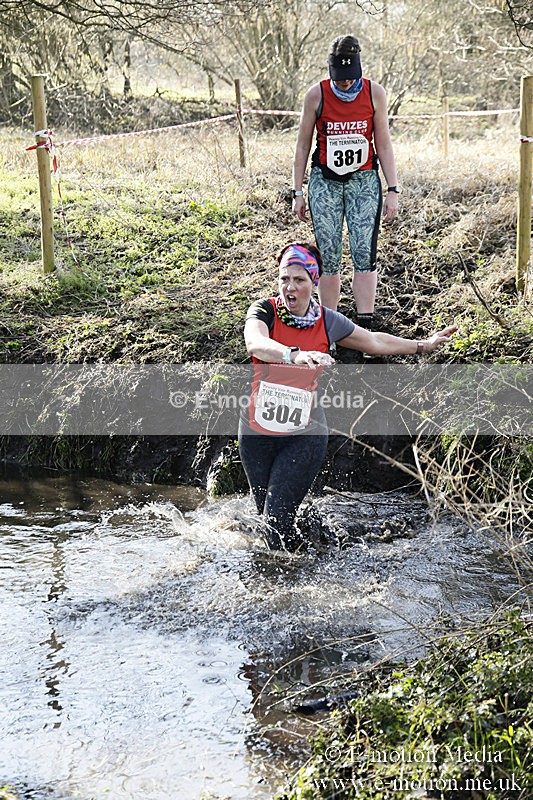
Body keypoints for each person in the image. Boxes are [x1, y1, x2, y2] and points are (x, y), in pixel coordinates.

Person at [238, 242, 457, 552]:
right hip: (256, 430)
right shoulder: (264, 311)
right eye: (284, 278)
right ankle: (304, 552)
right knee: (269, 522)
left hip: (304, 434)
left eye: (299, 280)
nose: (289, 287)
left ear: (314, 282)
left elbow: (374, 341)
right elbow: (255, 344)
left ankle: (293, 587)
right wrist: (294, 355)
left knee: (275, 525)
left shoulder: (328, 321)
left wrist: (423, 344)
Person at [291, 34, 399, 324]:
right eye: (340, 78)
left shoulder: (375, 93)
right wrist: (297, 191)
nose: (346, 83)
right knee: (329, 254)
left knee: (364, 250)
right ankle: (330, 325)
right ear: (331, 71)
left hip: (363, 180)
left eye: (350, 77)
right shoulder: (317, 94)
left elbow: (384, 143)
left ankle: (365, 322)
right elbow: (303, 144)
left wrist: (393, 189)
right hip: (324, 181)